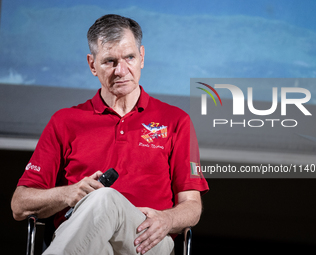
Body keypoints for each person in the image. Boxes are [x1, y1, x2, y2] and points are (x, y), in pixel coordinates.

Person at [11, 14, 209, 255]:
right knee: (100, 231)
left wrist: (167, 219)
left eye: (129, 57)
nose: (121, 70)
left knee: (104, 198)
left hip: (145, 239)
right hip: (81, 237)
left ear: (142, 57)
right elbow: (19, 204)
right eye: (110, 61)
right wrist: (68, 193)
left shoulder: (176, 121)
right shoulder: (65, 121)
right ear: (92, 65)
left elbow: (192, 206)